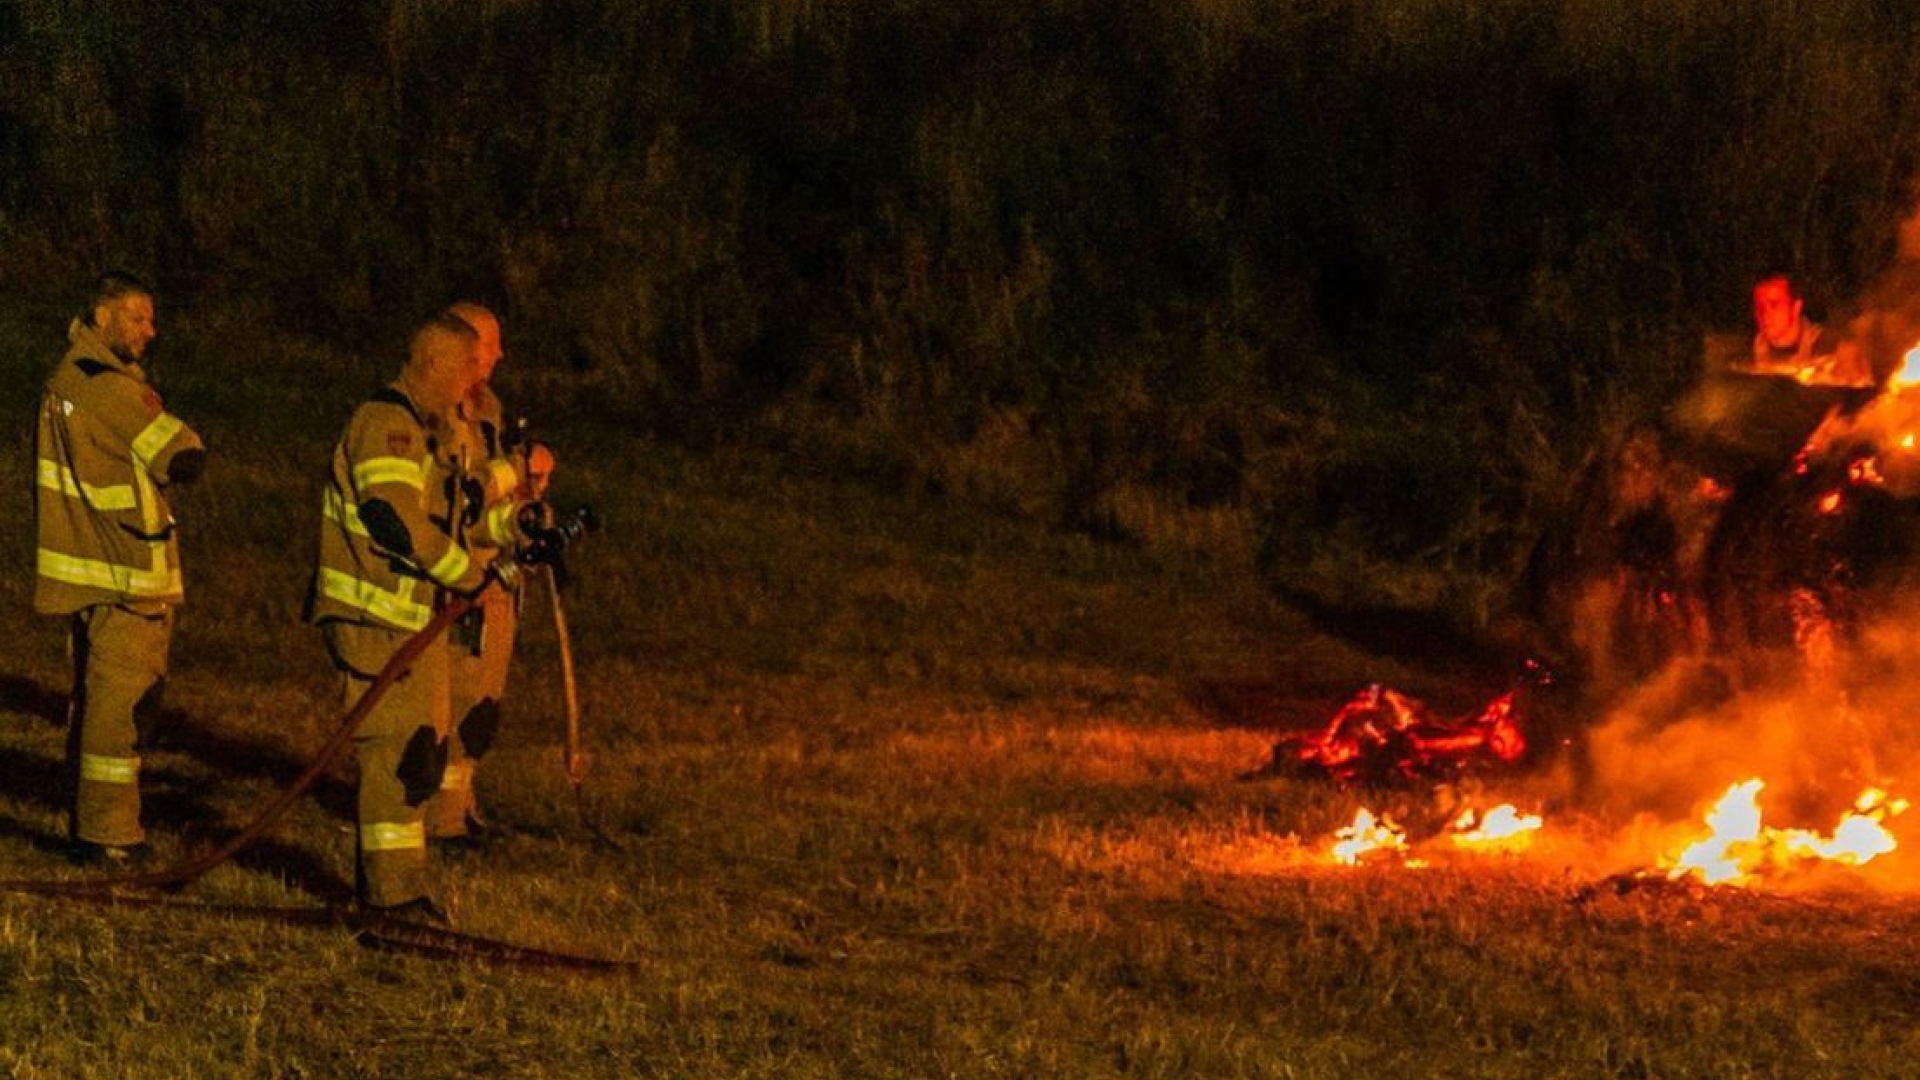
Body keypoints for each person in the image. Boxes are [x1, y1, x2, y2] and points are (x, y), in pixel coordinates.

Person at [307, 313, 503, 920]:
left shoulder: (422, 431)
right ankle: (389, 896)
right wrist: (465, 574)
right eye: (466, 368)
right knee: (397, 751)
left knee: (417, 752)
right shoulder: (386, 425)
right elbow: (394, 519)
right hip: (375, 619)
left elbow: (445, 518)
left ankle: (398, 887)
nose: (472, 383)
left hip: (405, 621)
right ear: (434, 363)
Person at [34, 272, 206, 864]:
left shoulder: (73, 377)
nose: (149, 331)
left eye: (151, 319)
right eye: (137, 317)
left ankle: (94, 821)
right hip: (123, 568)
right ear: (102, 316)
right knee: (121, 705)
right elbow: (183, 455)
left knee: (101, 701)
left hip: (99, 564)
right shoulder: (106, 386)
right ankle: (108, 835)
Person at [426, 302, 553, 845]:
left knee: (481, 705)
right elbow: (459, 497)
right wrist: (513, 469)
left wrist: (527, 511)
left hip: (495, 580)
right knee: (450, 701)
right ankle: (440, 820)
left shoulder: (489, 409)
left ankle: (461, 806)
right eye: (488, 345)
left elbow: (492, 504)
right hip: (457, 585)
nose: (499, 355)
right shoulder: (431, 412)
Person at [1747, 272, 1872, 387]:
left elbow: (1864, 394)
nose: (1765, 314)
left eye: (1774, 305)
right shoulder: (1751, 355)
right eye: (1759, 306)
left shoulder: (1833, 349)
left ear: (1796, 308)